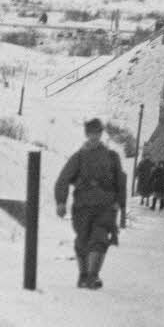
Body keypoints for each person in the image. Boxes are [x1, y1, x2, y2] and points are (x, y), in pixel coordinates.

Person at [54, 118, 127, 289]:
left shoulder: (111, 157)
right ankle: (83, 276)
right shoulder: (79, 157)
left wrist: (120, 204)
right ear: (86, 134)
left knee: (99, 239)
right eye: (91, 133)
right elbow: (63, 179)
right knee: (82, 240)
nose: (94, 136)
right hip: (82, 207)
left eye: (97, 133)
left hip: (105, 206)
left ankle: (93, 276)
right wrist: (61, 202)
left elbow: (120, 182)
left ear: (101, 134)